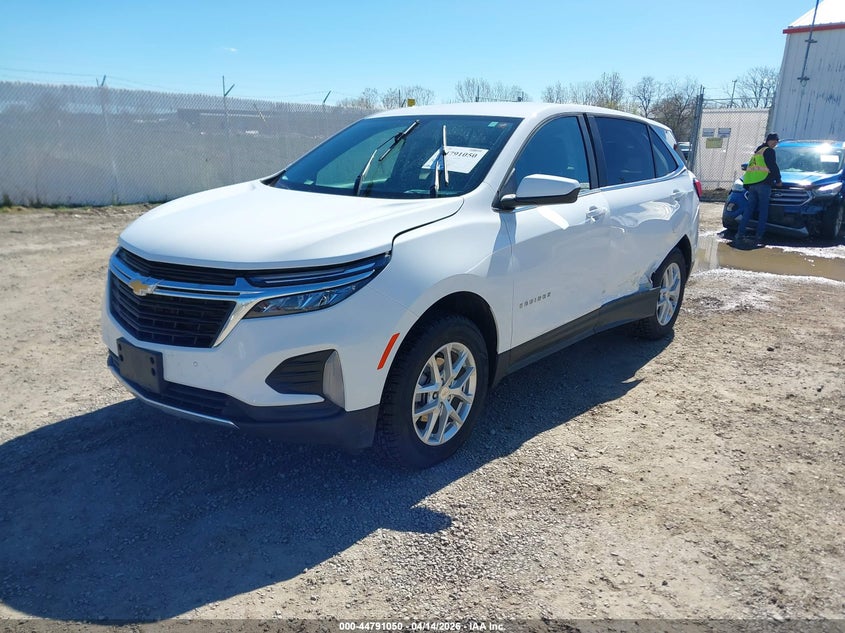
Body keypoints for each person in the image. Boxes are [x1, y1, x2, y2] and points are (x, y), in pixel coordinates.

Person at [734, 133, 782, 247]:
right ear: (769, 141)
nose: (775, 144)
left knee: (749, 210)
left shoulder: (757, 152)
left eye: (776, 142)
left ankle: (739, 234)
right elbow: (773, 165)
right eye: (774, 141)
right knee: (763, 210)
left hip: (752, 185)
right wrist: (778, 179)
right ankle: (759, 236)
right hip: (764, 184)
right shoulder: (769, 151)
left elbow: (751, 169)